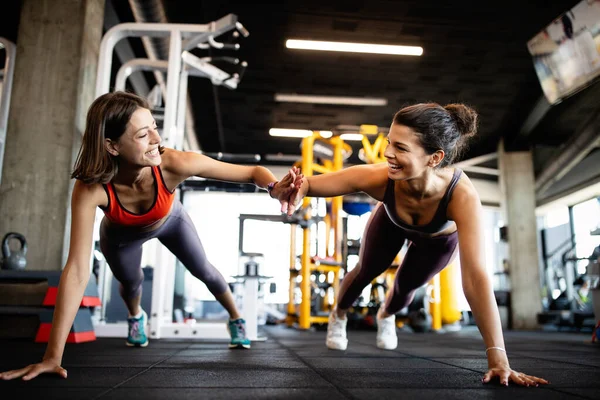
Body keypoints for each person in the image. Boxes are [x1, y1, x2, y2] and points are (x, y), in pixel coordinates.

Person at [0, 91, 299, 381]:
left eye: (154, 128)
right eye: (143, 135)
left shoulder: (174, 163)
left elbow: (251, 172)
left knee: (203, 269)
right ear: (112, 146)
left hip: (170, 220)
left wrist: (274, 188)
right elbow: (77, 270)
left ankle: (236, 318)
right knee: (132, 282)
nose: (157, 140)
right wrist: (52, 356)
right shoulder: (90, 187)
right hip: (120, 236)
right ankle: (136, 317)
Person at [276, 102, 549, 387]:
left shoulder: (462, 196)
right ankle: (338, 314)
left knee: (405, 288)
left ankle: (386, 314)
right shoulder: (380, 178)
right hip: (391, 222)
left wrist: (498, 358)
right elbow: (314, 184)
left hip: (437, 241)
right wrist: (296, 191)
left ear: (434, 158)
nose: (388, 154)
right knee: (366, 270)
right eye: (389, 143)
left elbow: (475, 277)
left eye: (401, 148)